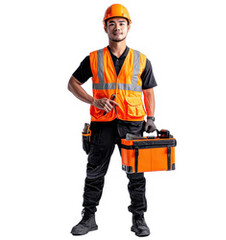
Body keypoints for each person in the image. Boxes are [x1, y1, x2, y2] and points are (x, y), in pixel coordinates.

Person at [66, 4, 159, 237]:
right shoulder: (94, 58)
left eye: (121, 23)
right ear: (105, 27)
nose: (117, 28)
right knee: (94, 172)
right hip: (102, 124)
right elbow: (72, 84)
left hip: (133, 125)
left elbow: (148, 91)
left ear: (129, 26)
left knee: (136, 175)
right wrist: (93, 101)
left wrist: (151, 118)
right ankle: (88, 217)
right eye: (112, 24)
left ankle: (139, 218)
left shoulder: (141, 59)